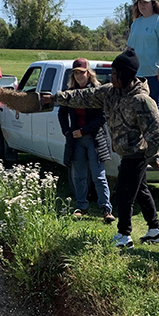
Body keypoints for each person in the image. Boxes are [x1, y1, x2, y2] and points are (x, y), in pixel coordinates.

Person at [45, 50, 159, 248]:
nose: (112, 77)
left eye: (115, 73)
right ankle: (155, 230)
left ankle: (124, 236)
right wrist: (54, 98)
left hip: (137, 153)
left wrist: (151, 155)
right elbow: (82, 96)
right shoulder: (110, 92)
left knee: (124, 194)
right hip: (126, 152)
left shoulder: (141, 100)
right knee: (141, 190)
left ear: (126, 75)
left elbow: (157, 134)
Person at [58, 58, 115, 224]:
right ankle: (81, 206)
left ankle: (106, 209)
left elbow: (102, 116)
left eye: (81, 72)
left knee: (99, 176)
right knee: (79, 175)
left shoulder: (97, 92)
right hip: (76, 140)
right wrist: (67, 132)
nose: (78, 76)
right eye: (75, 73)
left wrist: (83, 130)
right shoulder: (69, 93)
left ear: (88, 73)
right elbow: (61, 114)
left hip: (94, 138)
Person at [127, 0, 159, 112]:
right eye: (140, 2)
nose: (142, 5)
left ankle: (154, 130)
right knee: (136, 105)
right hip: (138, 73)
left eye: (145, 2)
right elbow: (130, 48)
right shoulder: (136, 23)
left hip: (154, 73)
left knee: (152, 106)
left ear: (153, 3)